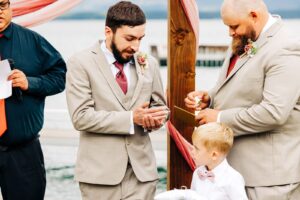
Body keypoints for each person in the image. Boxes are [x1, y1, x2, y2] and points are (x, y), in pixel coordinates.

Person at [185, 0, 300, 199]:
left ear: (254, 15)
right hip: (234, 172)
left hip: (267, 179)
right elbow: (242, 86)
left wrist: (219, 118)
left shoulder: (285, 47)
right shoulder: (245, 40)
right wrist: (210, 97)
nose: (230, 33)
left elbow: (274, 112)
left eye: (234, 26)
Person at [66, 1, 168, 200]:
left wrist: (158, 117)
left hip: (142, 175)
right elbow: (81, 117)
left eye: (140, 39)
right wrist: (132, 118)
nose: (136, 46)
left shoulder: (150, 64)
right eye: (129, 38)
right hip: (99, 177)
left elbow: (160, 106)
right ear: (108, 31)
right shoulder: (80, 63)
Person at [0, 0, 66, 199]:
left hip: (23, 153)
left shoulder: (33, 42)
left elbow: (59, 78)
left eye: (2, 5)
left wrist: (30, 83)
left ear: (10, 6)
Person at [190, 123, 247, 200]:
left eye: (196, 148)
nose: (192, 151)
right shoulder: (198, 173)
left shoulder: (233, 179)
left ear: (214, 155)